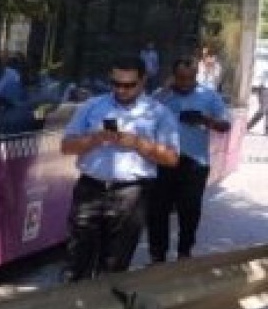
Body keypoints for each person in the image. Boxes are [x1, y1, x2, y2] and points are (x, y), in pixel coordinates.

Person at [59, 55, 180, 282]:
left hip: (131, 192)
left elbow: (172, 159)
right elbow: (66, 147)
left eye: (129, 85)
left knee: (114, 264)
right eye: (116, 84)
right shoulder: (92, 106)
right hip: (90, 188)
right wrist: (94, 139)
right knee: (76, 260)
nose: (121, 90)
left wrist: (138, 144)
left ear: (143, 81)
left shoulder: (158, 113)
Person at [147, 58, 230, 263]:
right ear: (173, 76)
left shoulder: (209, 96)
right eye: (181, 78)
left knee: (190, 209)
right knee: (157, 210)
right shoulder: (161, 96)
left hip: (194, 163)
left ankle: (184, 253)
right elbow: (144, 115)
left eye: (190, 78)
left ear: (196, 76)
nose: (185, 82)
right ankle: (157, 256)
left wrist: (204, 119)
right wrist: (164, 92)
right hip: (163, 160)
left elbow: (225, 124)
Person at [248, 52, 268, 135]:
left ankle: (267, 130)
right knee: (262, 110)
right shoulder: (263, 61)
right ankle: (247, 126)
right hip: (263, 87)